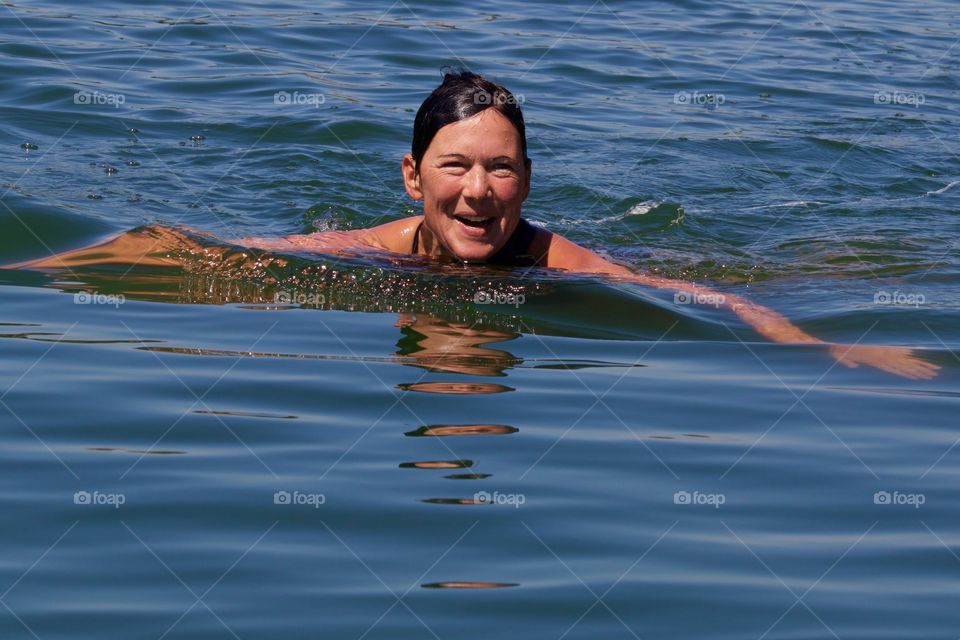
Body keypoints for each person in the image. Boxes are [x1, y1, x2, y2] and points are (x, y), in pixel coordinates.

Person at [9, 71, 939, 379]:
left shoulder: (558, 258)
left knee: (803, 269)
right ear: (416, 177)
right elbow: (200, 252)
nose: (480, 190)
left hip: (687, 264)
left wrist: (828, 347)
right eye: (457, 167)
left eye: (501, 169)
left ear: (528, 181)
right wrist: (37, 270)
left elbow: (707, 292)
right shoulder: (362, 256)